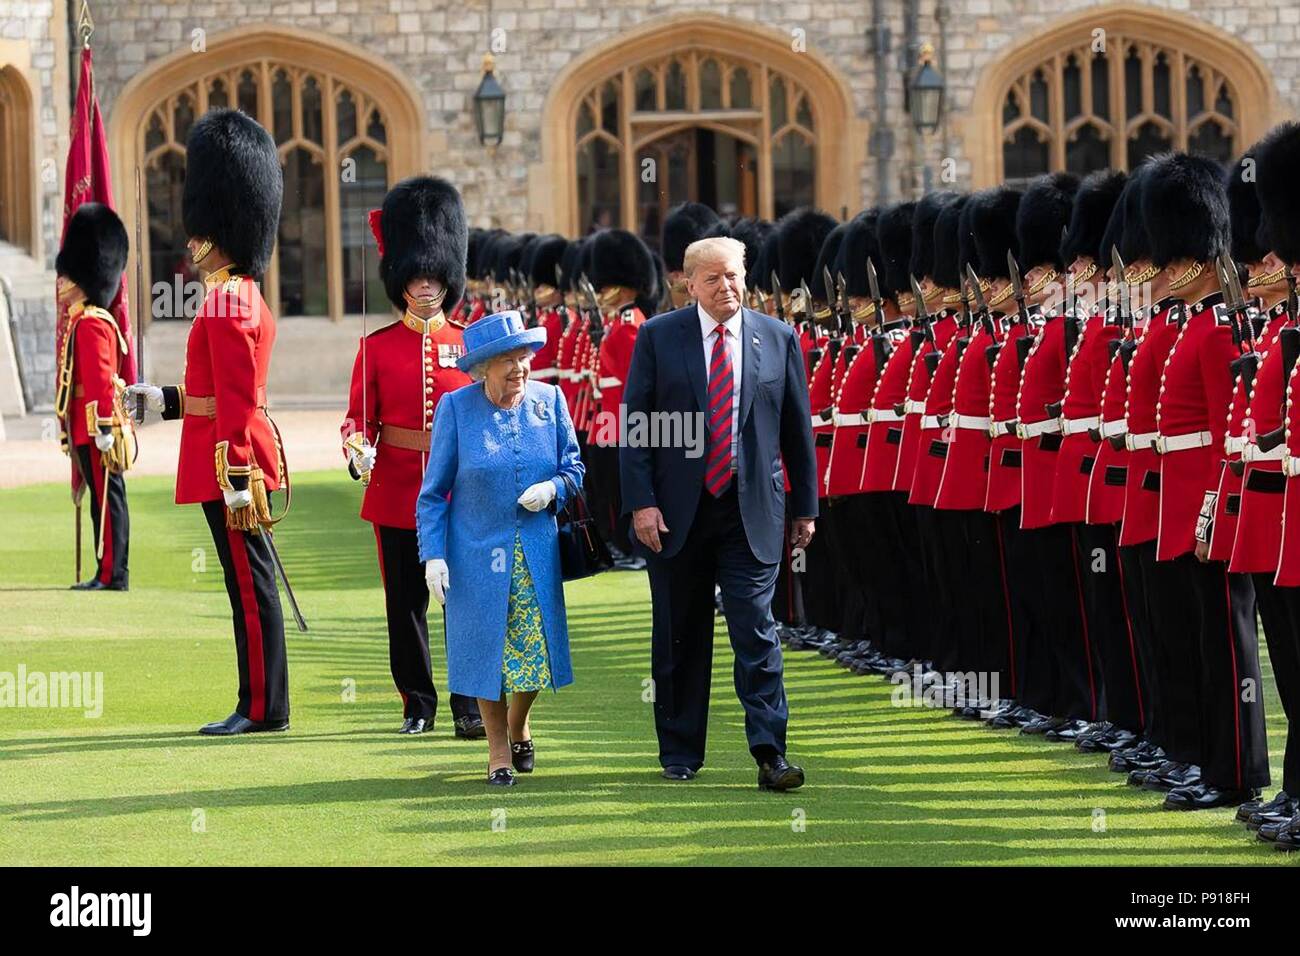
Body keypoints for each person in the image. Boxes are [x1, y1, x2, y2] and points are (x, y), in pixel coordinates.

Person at [620, 234, 818, 790]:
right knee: (680, 633)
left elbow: (797, 432)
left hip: (750, 508)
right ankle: (680, 753)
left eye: (733, 275)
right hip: (677, 513)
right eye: (713, 278)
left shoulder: (778, 338)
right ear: (689, 284)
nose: (726, 286)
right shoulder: (660, 337)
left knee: (756, 630)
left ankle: (769, 753)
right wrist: (641, 502)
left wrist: (805, 507)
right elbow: (636, 428)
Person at [127, 108, 289, 736]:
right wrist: (161, 401)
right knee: (245, 583)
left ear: (217, 231)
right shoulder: (235, 294)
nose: (189, 243)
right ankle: (258, 701)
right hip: (231, 458)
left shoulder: (227, 300)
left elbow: (239, 403)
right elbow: (213, 393)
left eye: (198, 233)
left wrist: (239, 476)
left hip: (233, 464)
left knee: (249, 587)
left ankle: (261, 708)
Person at [340, 175, 485, 738]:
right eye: (416, 277)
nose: (425, 287)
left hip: (459, 491)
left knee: (463, 605)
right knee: (405, 606)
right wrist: (357, 450)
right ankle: (417, 704)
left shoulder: (471, 342)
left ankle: (469, 706)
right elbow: (360, 417)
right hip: (397, 490)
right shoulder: (376, 347)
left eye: (434, 277)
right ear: (400, 281)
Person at [416, 310, 584, 786]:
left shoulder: (550, 401)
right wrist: (434, 555)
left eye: (523, 357)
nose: (519, 369)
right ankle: (497, 754)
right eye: (506, 361)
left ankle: (518, 723)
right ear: (481, 369)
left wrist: (553, 489)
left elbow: (574, 467)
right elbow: (433, 493)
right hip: (474, 554)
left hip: (535, 551)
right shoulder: (456, 408)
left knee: (533, 654)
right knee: (485, 652)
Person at [54, 202, 133, 591]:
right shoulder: (83, 321)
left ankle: (113, 574)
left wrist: (102, 425)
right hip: (85, 426)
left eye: (67, 276)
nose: (62, 282)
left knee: (109, 500)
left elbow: (101, 379)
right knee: (102, 503)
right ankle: (106, 570)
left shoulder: (91, 324)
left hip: (96, 426)